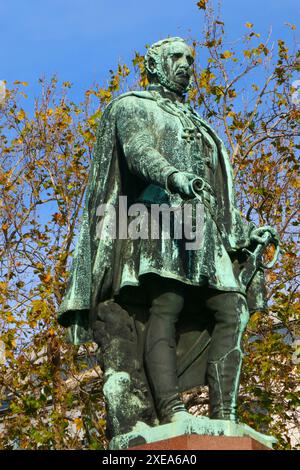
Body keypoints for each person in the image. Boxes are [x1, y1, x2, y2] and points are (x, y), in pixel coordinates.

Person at [58, 37, 278, 437]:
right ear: (155, 65)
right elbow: (139, 151)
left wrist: (245, 231)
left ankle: (224, 416)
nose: (185, 64)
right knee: (167, 303)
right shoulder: (132, 105)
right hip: (157, 215)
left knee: (233, 309)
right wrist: (174, 178)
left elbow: (219, 196)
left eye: (190, 59)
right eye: (175, 57)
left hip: (204, 226)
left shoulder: (201, 124)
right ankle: (173, 411)